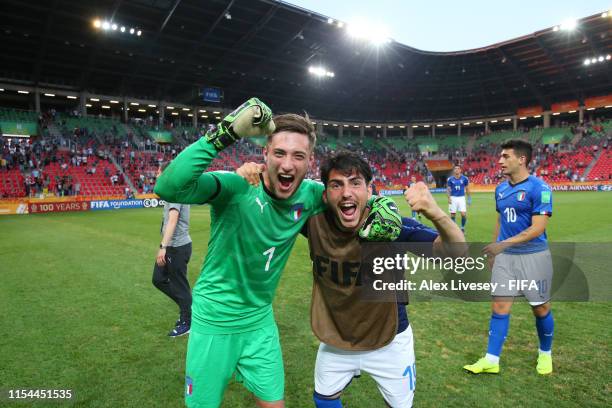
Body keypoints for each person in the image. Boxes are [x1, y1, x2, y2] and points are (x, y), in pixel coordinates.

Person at [155, 99, 391, 408]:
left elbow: (350, 195)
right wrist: (225, 134)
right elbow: (168, 187)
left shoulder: (310, 195)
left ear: (309, 162)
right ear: (264, 154)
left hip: (260, 323)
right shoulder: (236, 186)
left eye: (298, 156)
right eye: (279, 153)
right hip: (214, 321)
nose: (288, 164)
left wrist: (383, 205)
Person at [237, 152, 465, 407]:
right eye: (336, 184)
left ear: (369, 190)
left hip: (390, 339)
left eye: (355, 183)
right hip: (337, 338)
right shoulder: (314, 224)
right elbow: (272, 207)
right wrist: (257, 175)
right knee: (324, 399)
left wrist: (436, 213)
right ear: (325, 194)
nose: (346, 192)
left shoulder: (392, 227)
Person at [464, 139, 554, 375]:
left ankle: (545, 354)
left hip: (534, 257)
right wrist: (496, 248)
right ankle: (491, 360)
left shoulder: (540, 188)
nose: (500, 161)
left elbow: (537, 228)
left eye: (505, 156)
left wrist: (501, 244)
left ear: (521, 159)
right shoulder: (500, 189)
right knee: (499, 306)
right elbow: (500, 220)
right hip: (506, 259)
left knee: (541, 308)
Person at [152, 188, 193, 337]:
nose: (157, 175)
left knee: (180, 287)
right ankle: (188, 306)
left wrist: (163, 246)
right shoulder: (172, 193)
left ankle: (187, 322)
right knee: (158, 279)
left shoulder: (175, 193)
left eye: (159, 173)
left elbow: (173, 219)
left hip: (177, 247)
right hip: (172, 246)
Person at [446, 165, 470, 233]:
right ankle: (454, 228)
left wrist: (469, 198)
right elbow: (448, 189)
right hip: (453, 198)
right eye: (455, 169)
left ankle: (462, 227)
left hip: (461, 198)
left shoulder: (465, 178)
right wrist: (449, 198)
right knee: (453, 214)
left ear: (460, 170)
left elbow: (467, 188)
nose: (456, 170)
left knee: (463, 214)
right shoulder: (450, 179)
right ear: (454, 171)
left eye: (458, 168)